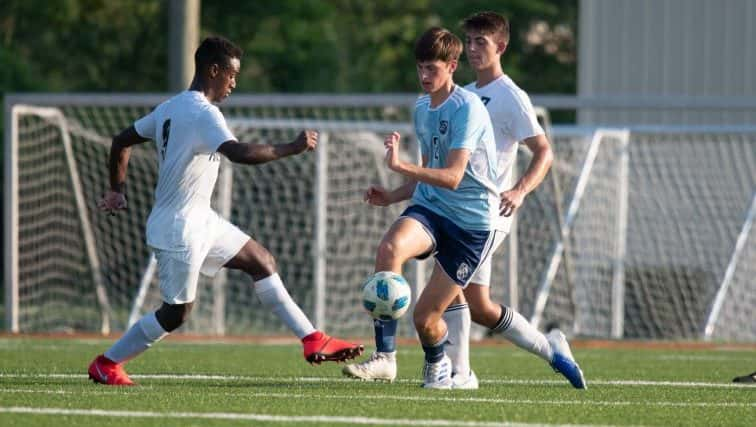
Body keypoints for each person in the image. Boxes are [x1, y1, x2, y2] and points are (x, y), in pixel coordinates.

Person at [88, 36, 363, 386]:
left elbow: (121, 141)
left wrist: (117, 190)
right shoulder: (204, 113)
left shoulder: (170, 107)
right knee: (176, 313)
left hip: (201, 219)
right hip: (180, 227)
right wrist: (291, 147)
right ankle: (107, 363)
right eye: (231, 75)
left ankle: (312, 339)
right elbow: (240, 153)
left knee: (261, 260)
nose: (234, 83)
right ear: (212, 70)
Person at [343, 12, 586, 390]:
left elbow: (543, 152)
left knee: (469, 304)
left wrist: (520, 190)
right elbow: (434, 168)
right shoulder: (450, 97)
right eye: (468, 41)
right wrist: (393, 194)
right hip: (440, 204)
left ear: (500, 47)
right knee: (472, 303)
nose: (473, 49)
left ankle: (490, 363)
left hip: (485, 214)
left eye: (481, 43)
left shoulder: (509, 97)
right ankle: (443, 366)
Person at [344, 26, 501, 389]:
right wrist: (393, 194)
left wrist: (400, 166)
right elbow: (428, 176)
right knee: (389, 248)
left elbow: (452, 177)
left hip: (471, 224)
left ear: (452, 65)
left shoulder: (468, 108)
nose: (425, 76)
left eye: (432, 68)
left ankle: (438, 362)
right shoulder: (421, 107)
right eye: (420, 68)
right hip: (432, 209)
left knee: (425, 320)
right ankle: (385, 357)